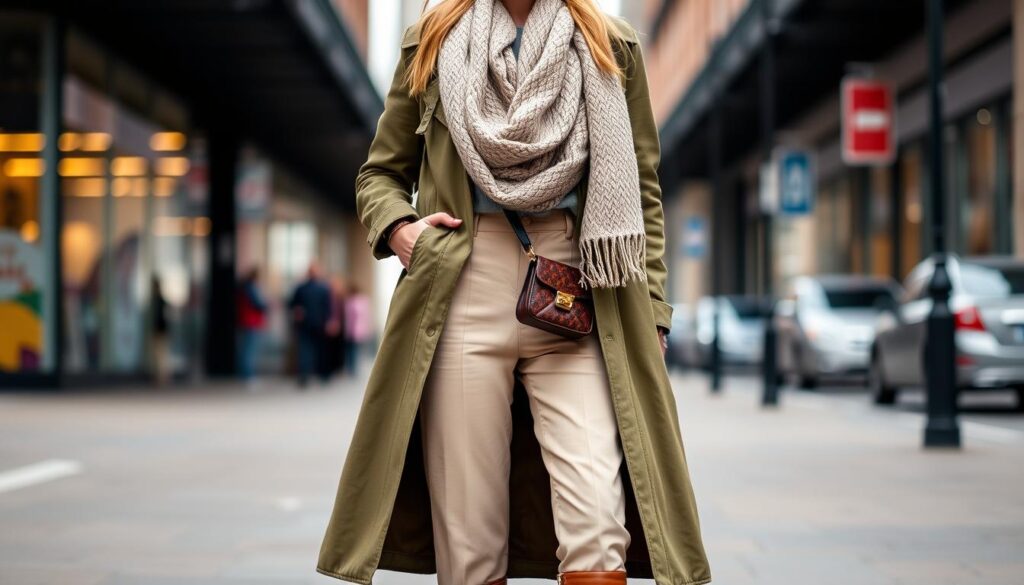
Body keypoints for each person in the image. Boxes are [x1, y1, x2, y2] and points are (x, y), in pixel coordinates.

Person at [318, 2, 711, 585]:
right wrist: (401, 233)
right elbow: (379, 174)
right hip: (462, 287)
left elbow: (643, 189)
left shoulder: (609, 44)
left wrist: (652, 312)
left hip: (578, 290)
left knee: (599, 524)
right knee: (469, 543)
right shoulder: (433, 40)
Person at [288, 262, 332, 388]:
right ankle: (305, 376)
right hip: (306, 324)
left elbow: (328, 307)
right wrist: (297, 310)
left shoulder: (322, 288)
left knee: (319, 351)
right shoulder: (302, 288)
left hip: (319, 323)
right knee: (305, 351)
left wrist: (329, 320)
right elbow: (292, 304)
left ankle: (322, 375)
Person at [236, 267, 268, 383]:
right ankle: (247, 375)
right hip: (250, 322)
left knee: (246, 349)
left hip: (247, 321)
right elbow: (259, 304)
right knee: (249, 350)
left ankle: (245, 374)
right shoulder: (251, 288)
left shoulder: (245, 287)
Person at [342, 282, 372, 377]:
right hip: (355, 329)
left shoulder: (353, 301)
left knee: (353, 350)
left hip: (355, 329)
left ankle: (353, 369)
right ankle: (352, 368)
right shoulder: (362, 301)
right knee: (352, 350)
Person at [324, 275, 349, 378]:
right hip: (329, 326)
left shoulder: (342, 298)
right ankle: (330, 369)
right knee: (329, 349)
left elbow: (344, 313)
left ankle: (339, 368)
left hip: (341, 327)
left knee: (339, 349)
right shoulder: (327, 297)